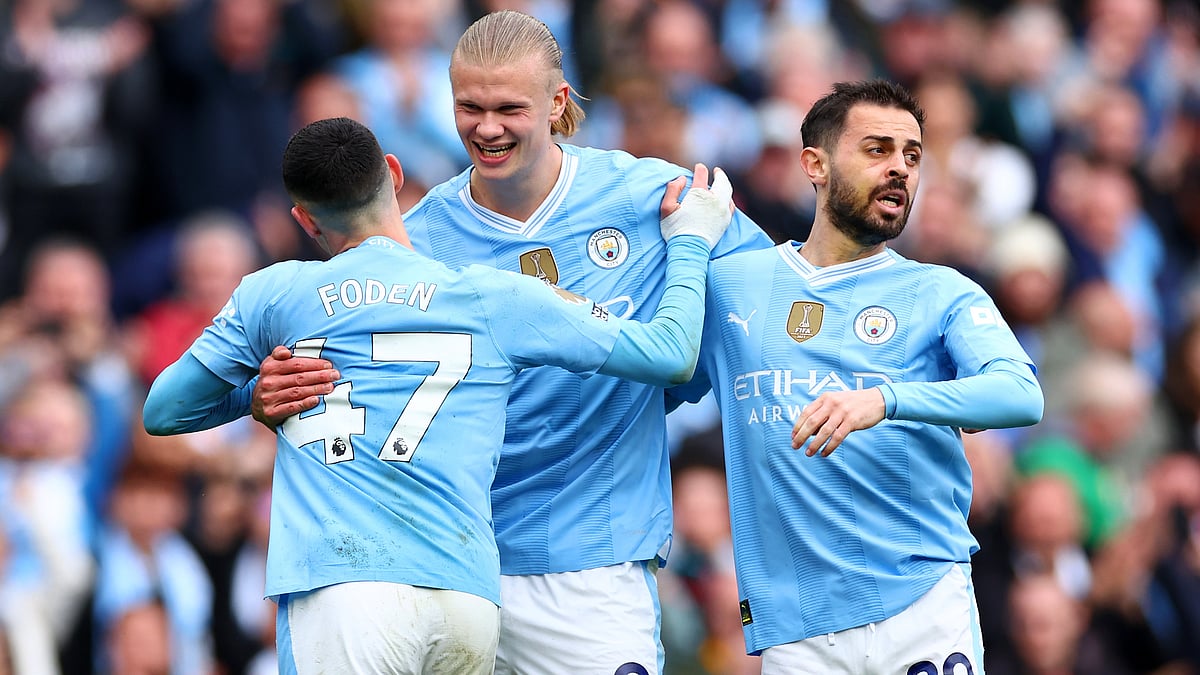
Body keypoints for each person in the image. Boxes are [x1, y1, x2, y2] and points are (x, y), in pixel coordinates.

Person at [248, 11, 774, 675]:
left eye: (507, 108)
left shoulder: (654, 198)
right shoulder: (418, 241)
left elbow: (765, 309)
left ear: (558, 102)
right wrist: (273, 400)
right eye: (469, 106)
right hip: (448, 566)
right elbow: (339, 385)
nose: (486, 127)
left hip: (592, 570)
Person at [142, 116, 735, 674]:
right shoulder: (490, 295)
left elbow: (164, 410)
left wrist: (256, 398)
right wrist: (690, 240)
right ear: (395, 176)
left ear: (304, 219)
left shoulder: (273, 295)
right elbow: (671, 353)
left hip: (343, 588)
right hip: (465, 596)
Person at [666, 80, 1044, 672]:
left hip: (922, 603)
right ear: (814, 164)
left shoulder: (939, 289)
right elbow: (658, 387)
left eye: (912, 156)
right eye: (877, 149)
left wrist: (886, 400)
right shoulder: (735, 284)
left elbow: (1021, 394)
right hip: (797, 626)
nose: (899, 168)